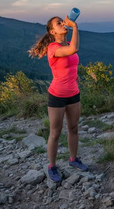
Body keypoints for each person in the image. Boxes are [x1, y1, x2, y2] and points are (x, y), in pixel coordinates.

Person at [29, 14, 88, 182]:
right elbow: (73, 51)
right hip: (57, 96)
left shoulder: (68, 43)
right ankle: (52, 166)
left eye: (63, 22)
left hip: (73, 93)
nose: (63, 24)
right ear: (53, 31)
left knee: (74, 128)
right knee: (55, 133)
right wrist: (75, 27)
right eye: (59, 23)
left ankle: (73, 159)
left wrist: (74, 77)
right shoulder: (53, 48)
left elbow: (71, 60)